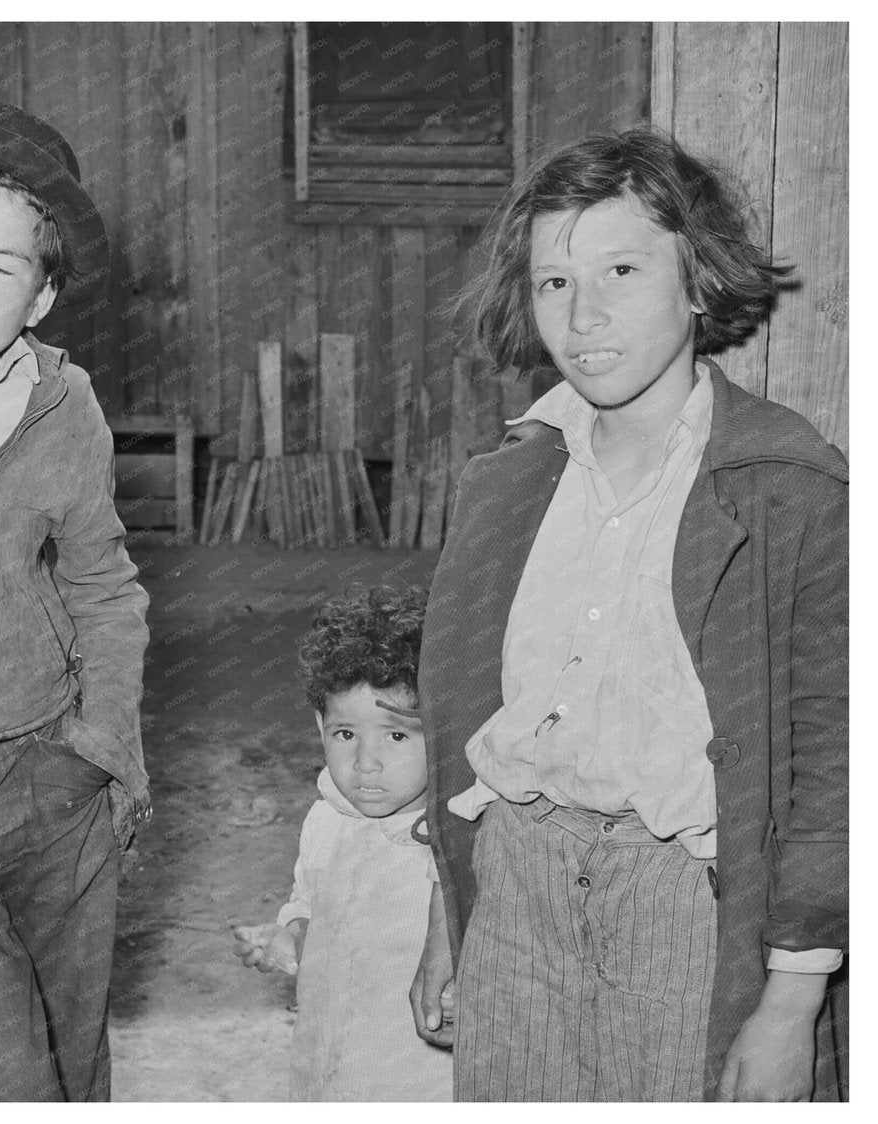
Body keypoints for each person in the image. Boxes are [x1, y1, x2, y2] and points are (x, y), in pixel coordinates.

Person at [411, 128, 847, 1101]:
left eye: (620, 268)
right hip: (515, 879)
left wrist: (792, 996)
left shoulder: (787, 487)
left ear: (696, 281)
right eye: (554, 281)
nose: (585, 314)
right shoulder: (505, 483)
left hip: (684, 899)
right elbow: (470, 724)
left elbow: (835, 759)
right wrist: (451, 909)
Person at [0, 99, 150, 1102]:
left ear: (42, 295)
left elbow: (104, 583)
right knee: (8, 1074)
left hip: (52, 779)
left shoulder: (67, 403)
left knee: (74, 1056)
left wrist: (102, 742)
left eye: (3, 265)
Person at [234, 587, 452, 1101]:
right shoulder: (324, 819)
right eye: (346, 734)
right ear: (319, 726)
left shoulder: (450, 845)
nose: (366, 762)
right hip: (323, 1071)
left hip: (416, 1085)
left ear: (441, 732)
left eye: (397, 736)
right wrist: (293, 934)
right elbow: (308, 903)